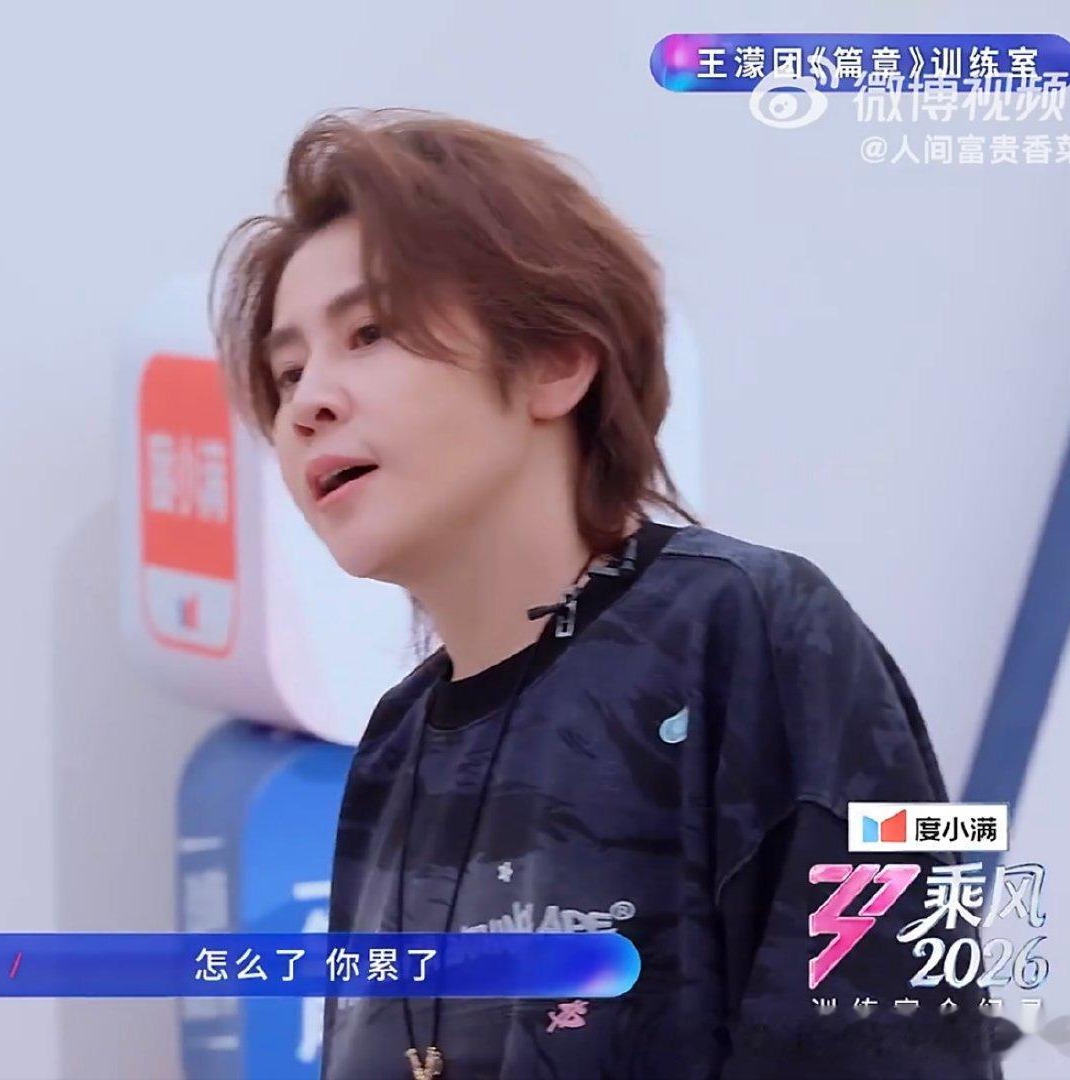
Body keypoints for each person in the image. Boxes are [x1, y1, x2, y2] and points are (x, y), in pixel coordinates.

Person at [211, 108, 1014, 1079]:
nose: (307, 403)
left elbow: (906, 1041)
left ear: (555, 361)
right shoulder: (394, 750)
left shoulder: (750, 631)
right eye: (288, 372)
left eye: (369, 333)